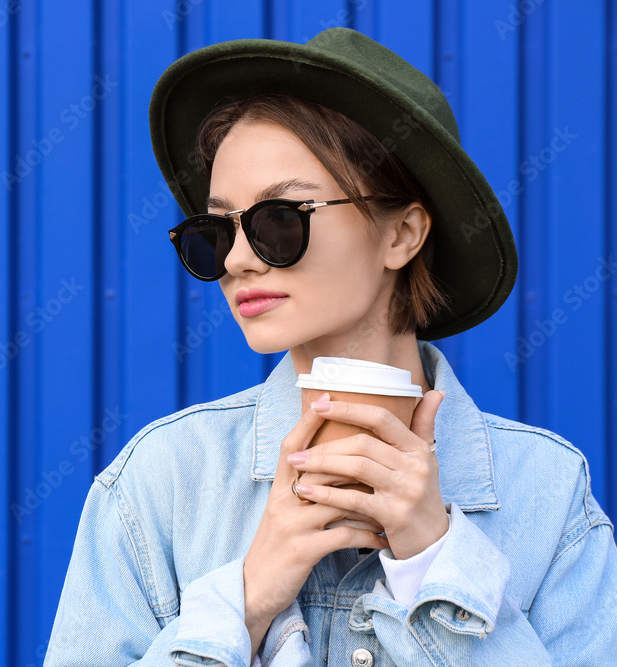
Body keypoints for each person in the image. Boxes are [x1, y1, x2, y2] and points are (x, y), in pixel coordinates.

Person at [44, 28, 617, 666]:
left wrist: (437, 562)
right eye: (215, 230)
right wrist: (247, 599)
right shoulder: (161, 482)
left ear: (402, 233)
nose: (236, 259)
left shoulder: (547, 490)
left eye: (279, 219)